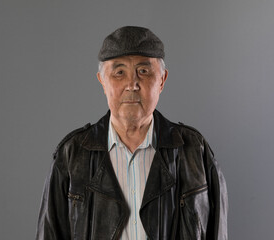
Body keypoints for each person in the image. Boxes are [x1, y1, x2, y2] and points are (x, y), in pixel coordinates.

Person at [36, 26, 228, 240]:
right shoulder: (71, 155)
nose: (132, 84)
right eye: (119, 73)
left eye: (143, 71)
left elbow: (217, 231)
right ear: (102, 80)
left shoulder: (194, 150)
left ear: (162, 79)